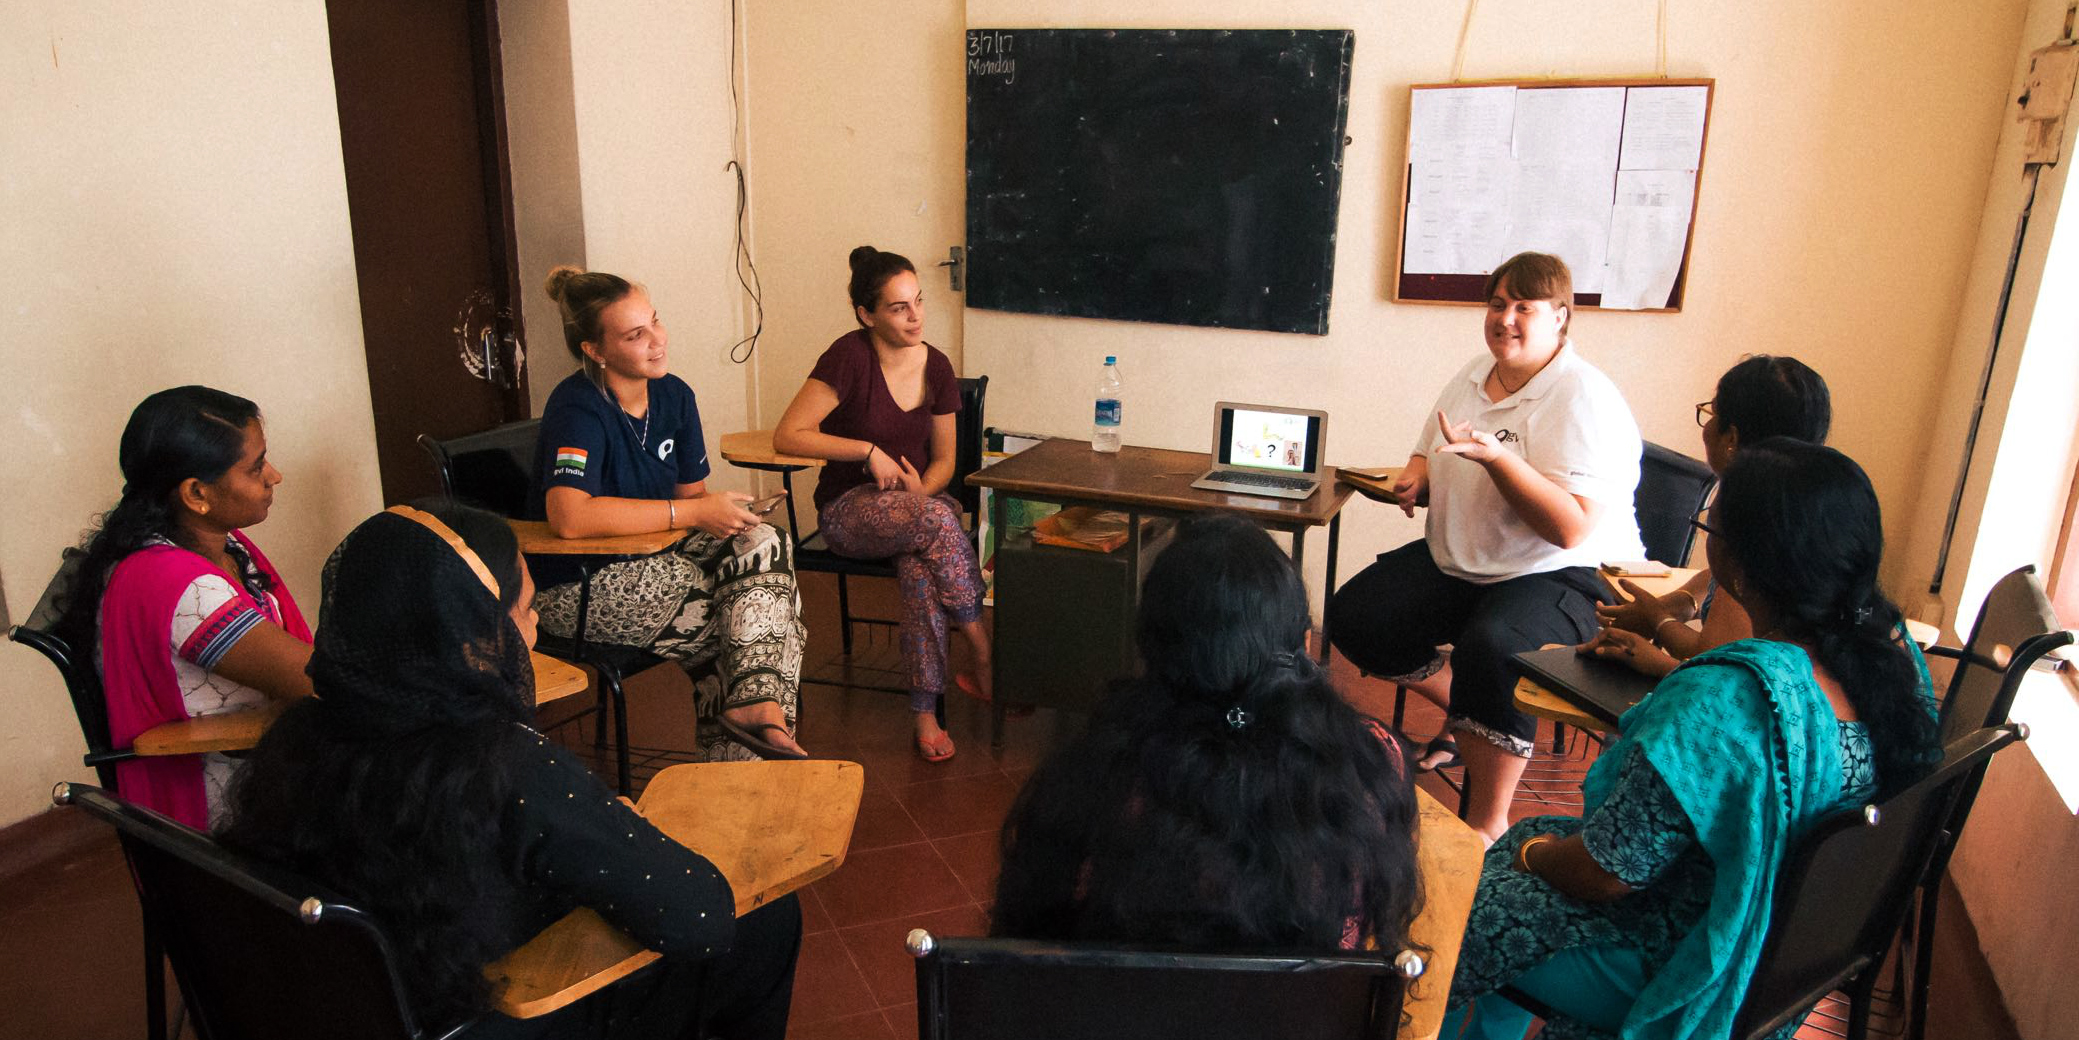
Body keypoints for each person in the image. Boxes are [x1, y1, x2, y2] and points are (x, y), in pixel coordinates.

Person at [221, 504, 801, 1039]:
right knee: (766, 920)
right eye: (524, 611)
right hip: (472, 1021)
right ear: (471, 641)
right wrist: (606, 831)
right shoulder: (505, 763)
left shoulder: (296, 742)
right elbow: (700, 918)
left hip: (357, 1007)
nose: (535, 630)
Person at [1440, 440, 1939, 1040]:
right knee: (1517, 858)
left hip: (1690, 960)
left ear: (1740, 566)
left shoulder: (1723, 702)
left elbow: (1607, 872)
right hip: (1786, 956)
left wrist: (1530, 852)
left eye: (1712, 527)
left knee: (1449, 908)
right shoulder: (1895, 659)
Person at [993, 515, 1422, 956]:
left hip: (1122, 1017)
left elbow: (1033, 934)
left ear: (1151, 643)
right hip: (1299, 1020)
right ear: (1300, 639)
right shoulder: (1370, 761)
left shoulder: (1096, 772)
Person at [1326, 252, 1646, 841]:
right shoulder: (1477, 371)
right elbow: (1429, 444)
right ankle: (1464, 709)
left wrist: (1499, 460)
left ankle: (1488, 821)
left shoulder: (1583, 398)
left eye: (1526, 307)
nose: (1506, 319)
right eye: (1498, 305)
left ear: (1562, 317)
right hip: (1464, 561)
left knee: (1494, 650)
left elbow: (1570, 528)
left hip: (1559, 572)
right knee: (1356, 615)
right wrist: (1416, 475)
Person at [528, 266, 804, 760]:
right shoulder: (578, 407)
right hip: (581, 583)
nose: (657, 341)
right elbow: (568, 516)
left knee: (766, 541)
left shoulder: (674, 395)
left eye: (655, 322)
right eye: (636, 335)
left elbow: (693, 501)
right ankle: (749, 758)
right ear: (595, 349)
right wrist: (692, 512)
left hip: (660, 556)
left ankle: (752, 715)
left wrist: (722, 513)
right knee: (759, 621)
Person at [55, 386, 313, 830]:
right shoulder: (188, 592)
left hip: (257, 762)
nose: (275, 476)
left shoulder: (207, 545)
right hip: (233, 803)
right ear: (196, 494)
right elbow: (319, 680)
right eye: (256, 468)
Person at [772, 245, 988, 763]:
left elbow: (944, 461)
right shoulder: (848, 356)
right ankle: (983, 650)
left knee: (919, 568)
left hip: (917, 510)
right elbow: (789, 435)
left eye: (918, 301)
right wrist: (867, 452)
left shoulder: (935, 364)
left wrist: (922, 493)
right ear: (867, 315)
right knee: (938, 521)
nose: (915, 316)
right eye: (898, 307)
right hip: (850, 509)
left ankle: (923, 712)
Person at [1583, 355, 1832, 678]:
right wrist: (1681, 601)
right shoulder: (1815, 498)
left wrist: (1648, 645)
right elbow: (1723, 589)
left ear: (1732, 439)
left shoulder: (1754, 524)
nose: (1707, 427)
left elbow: (1717, 668)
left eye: (1712, 414)